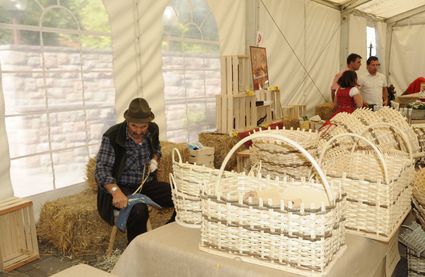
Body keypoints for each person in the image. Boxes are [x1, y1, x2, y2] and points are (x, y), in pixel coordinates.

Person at [95, 97, 175, 243]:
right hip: (122, 186)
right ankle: (137, 250)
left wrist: (154, 160)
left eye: (143, 126)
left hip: (145, 183)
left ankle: (168, 236)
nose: (139, 131)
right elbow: (101, 170)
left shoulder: (153, 129)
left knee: (180, 195)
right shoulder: (112, 136)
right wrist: (115, 192)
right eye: (134, 126)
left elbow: (157, 149)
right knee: (138, 210)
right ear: (127, 121)